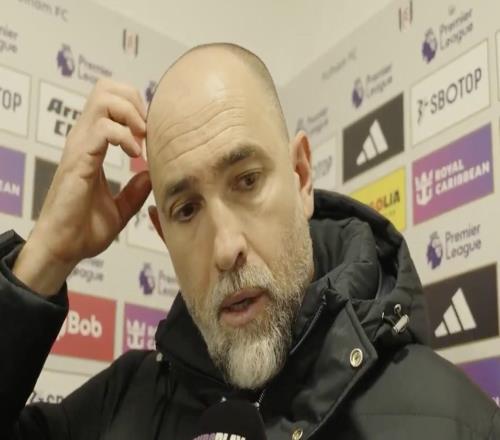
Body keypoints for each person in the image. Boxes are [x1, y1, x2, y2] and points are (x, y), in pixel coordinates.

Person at [1, 43, 499, 440]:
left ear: (301, 176)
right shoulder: (121, 403)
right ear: (163, 234)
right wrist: (46, 256)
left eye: (246, 181)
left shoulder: (453, 422)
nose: (225, 249)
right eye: (187, 209)